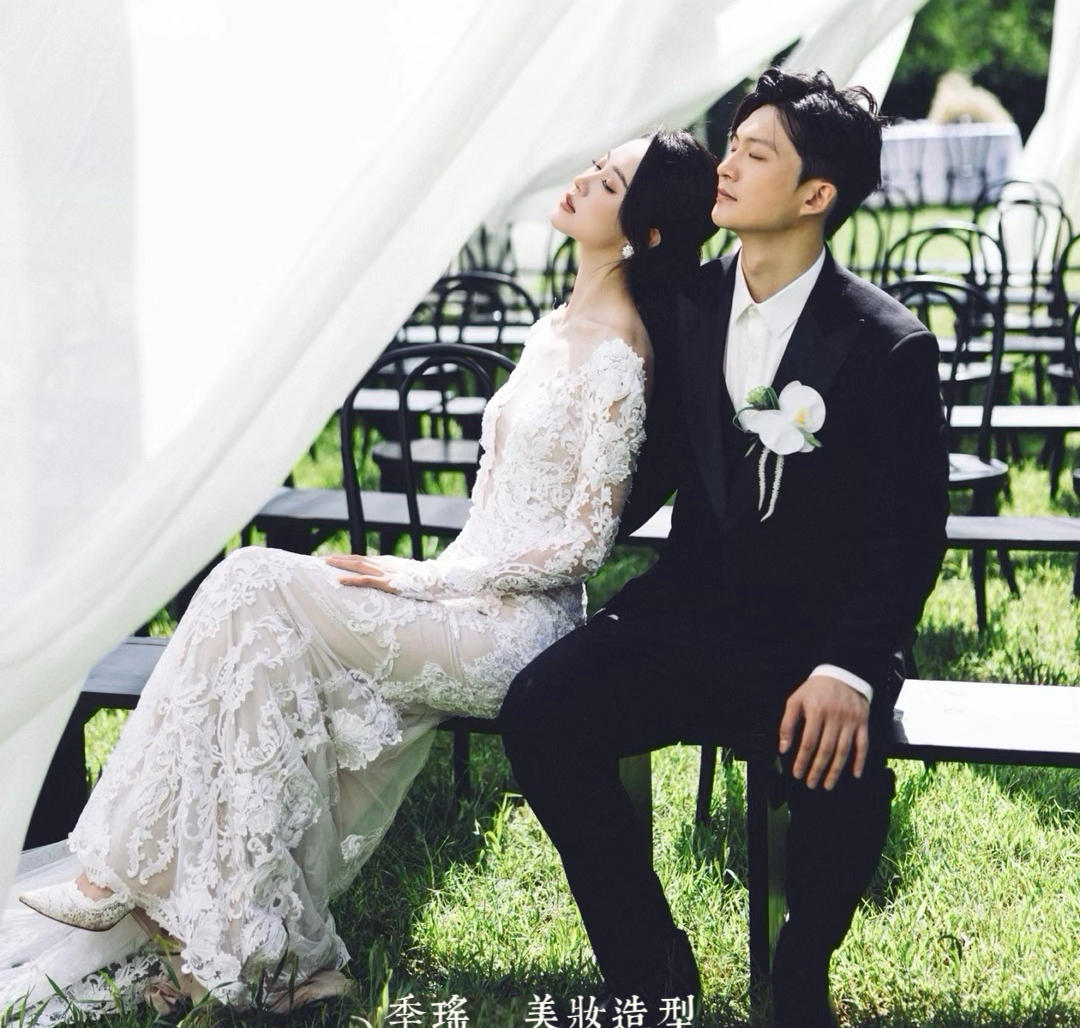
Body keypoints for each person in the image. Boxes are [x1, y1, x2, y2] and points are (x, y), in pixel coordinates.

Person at [6, 129, 719, 1019]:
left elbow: (582, 547)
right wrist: (435, 577)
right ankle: (263, 944)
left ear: (645, 232)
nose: (582, 180)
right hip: (462, 594)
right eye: (596, 164)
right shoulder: (554, 327)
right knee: (259, 637)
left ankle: (127, 871)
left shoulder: (621, 352)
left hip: (515, 629)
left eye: (608, 182)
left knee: (250, 582)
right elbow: (497, 509)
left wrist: (421, 581)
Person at [500, 70, 950, 1028]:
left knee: (843, 768)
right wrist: (504, 550)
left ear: (816, 194)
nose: (728, 166)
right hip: (690, 613)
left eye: (756, 153)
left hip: (816, 637)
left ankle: (800, 971)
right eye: (731, 146)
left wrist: (850, 668)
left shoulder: (889, 345)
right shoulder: (682, 306)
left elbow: (909, 534)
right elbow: (642, 467)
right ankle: (650, 967)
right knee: (541, 711)